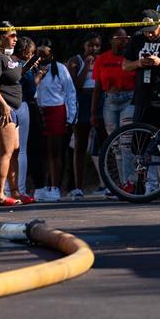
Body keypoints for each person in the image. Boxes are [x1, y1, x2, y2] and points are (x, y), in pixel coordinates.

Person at [0, 21, 33, 207]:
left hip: (10, 108)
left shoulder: (7, 57)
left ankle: (15, 191)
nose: (15, 39)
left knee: (15, 151)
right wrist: (3, 105)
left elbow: (14, 76)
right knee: (5, 152)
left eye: (16, 35)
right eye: (12, 36)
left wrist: (29, 66)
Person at [33, 38, 77, 202]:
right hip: (38, 110)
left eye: (45, 54)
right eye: (39, 54)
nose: (42, 57)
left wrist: (71, 117)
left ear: (52, 53)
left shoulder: (60, 69)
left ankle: (55, 187)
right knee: (40, 151)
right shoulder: (32, 68)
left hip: (56, 111)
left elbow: (70, 93)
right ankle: (42, 187)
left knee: (55, 152)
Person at [123, 10, 160, 126]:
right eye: (145, 31)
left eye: (151, 30)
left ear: (159, 23)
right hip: (143, 97)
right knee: (140, 134)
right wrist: (139, 63)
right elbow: (125, 66)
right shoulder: (137, 38)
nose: (148, 34)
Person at [67, 33, 102, 198]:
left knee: (103, 142)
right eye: (90, 45)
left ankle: (106, 184)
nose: (93, 49)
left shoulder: (102, 59)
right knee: (80, 145)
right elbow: (75, 85)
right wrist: (87, 67)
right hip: (82, 101)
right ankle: (77, 187)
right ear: (84, 45)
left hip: (99, 99)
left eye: (97, 45)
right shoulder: (75, 61)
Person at [5, 36, 40, 198]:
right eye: (31, 53)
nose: (32, 56)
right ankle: (20, 189)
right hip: (21, 105)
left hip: (6, 106)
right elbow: (32, 90)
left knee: (6, 151)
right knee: (21, 150)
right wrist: (37, 76)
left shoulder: (6, 62)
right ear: (25, 53)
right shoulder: (25, 67)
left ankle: (7, 190)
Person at [91, 28, 135, 133]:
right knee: (112, 138)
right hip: (110, 102)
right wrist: (93, 113)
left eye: (126, 38)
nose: (124, 40)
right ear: (111, 40)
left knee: (126, 137)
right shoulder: (102, 59)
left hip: (129, 101)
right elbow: (97, 88)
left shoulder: (133, 58)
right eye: (120, 38)